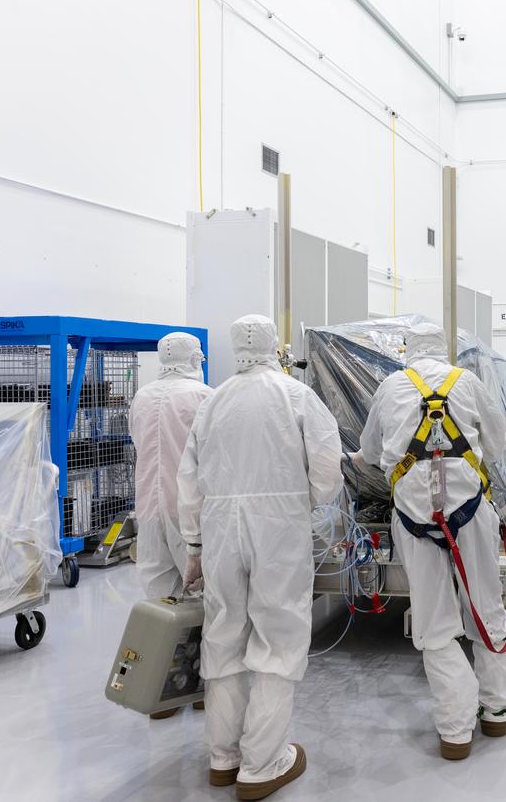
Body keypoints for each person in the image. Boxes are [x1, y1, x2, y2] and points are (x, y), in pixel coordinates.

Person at [178, 314, 343, 801]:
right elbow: (328, 465)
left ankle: (222, 758)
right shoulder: (296, 396)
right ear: (275, 346)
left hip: (219, 528)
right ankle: (261, 763)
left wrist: (193, 544)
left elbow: (188, 478)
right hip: (279, 526)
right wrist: (306, 502)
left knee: (224, 633)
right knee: (278, 634)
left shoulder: (214, 402)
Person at [357, 322, 506, 761]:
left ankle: (455, 731)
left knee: (433, 617)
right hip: (470, 511)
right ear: (446, 351)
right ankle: (498, 710)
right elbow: (500, 444)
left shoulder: (390, 386)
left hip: (413, 517)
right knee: (486, 605)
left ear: (409, 351)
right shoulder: (467, 383)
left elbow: (370, 452)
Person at [128, 332, 213, 719]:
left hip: (149, 507)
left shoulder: (143, 397)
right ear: (195, 358)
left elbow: (136, 441)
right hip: (189, 510)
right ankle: (202, 688)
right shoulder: (204, 397)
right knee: (203, 596)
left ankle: (164, 690)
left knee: (159, 596)